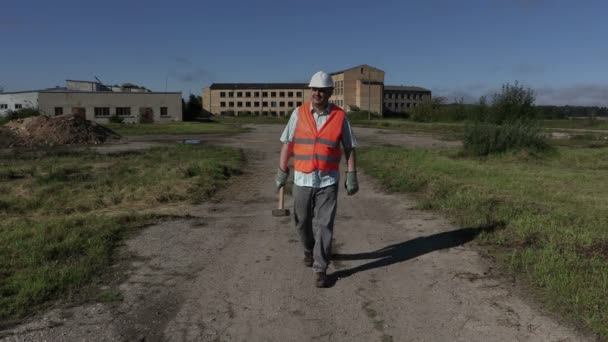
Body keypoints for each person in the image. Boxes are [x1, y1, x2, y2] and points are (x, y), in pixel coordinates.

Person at [275, 71, 359, 288]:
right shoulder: (298, 113)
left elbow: (349, 148)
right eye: (314, 89)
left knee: (325, 225)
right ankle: (308, 249)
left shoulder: (340, 116)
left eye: (322, 90)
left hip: (327, 181)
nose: (317, 93)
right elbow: (287, 144)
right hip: (302, 180)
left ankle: (320, 268)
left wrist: (351, 174)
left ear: (330, 92)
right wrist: (282, 171)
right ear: (310, 90)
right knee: (302, 222)